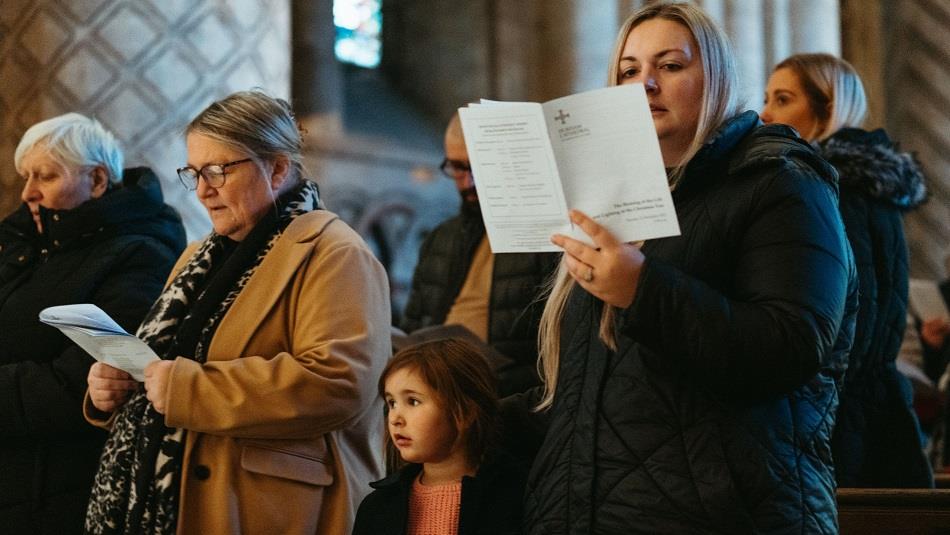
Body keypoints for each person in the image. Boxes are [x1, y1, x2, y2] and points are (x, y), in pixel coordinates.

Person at [519, 3, 858, 533]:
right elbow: (604, 390)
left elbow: (792, 345)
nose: (645, 83)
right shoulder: (611, 205)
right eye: (629, 71)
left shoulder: (780, 184)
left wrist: (644, 289)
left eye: (670, 66)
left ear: (716, 78)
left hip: (726, 513)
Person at [83, 91, 391, 535]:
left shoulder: (334, 253)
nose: (204, 190)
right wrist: (113, 387)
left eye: (218, 171)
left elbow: (339, 382)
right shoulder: (196, 258)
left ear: (278, 167)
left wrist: (189, 390)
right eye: (194, 173)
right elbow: (159, 365)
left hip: (267, 507)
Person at [0, 113, 186, 534]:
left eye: (45, 176)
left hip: (51, 489)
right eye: (26, 176)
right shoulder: (26, 246)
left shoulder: (139, 254)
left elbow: (82, 381)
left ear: (98, 180)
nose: (28, 192)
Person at [762, 53, 932, 488]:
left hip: (841, 410)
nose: (765, 113)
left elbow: (853, 318)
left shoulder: (834, 189)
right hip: (861, 403)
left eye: (783, 99)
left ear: (827, 109)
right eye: (767, 98)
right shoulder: (852, 185)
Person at [398, 115, 559, 396]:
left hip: (508, 402)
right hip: (436, 398)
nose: (467, 181)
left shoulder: (547, 238)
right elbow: (413, 325)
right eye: (457, 168)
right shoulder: (440, 239)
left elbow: (559, 349)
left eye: (478, 168)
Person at [352, 338, 524, 535]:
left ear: (465, 412)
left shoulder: (512, 495)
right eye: (392, 403)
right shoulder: (378, 505)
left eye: (413, 401)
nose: (395, 418)